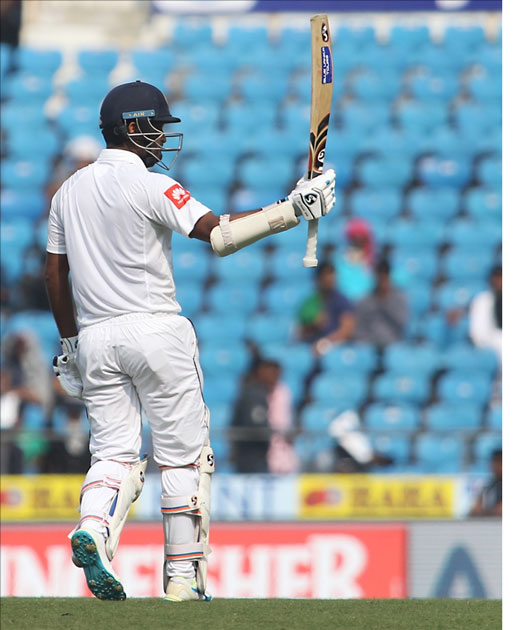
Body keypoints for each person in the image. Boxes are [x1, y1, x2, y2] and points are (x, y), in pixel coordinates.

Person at [44, 80, 336, 602]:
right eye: (157, 126)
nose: (163, 137)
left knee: (113, 456)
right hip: (156, 330)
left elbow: (53, 276)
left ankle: (94, 529)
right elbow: (219, 236)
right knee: (183, 459)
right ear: (134, 127)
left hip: (94, 339)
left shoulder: (68, 191)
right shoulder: (153, 186)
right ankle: (183, 580)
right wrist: (293, 209)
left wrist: (69, 346)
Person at [230, 358, 298, 474]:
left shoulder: (280, 393)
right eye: (272, 372)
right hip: (254, 456)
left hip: (270, 456)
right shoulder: (254, 394)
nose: (275, 376)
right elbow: (256, 425)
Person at [297, 261, 355, 356]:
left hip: (335, 347)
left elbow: (347, 330)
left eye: (332, 275)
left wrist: (325, 343)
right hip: (311, 346)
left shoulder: (343, 301)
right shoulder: (310, 302)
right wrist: (314, 325)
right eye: (326, 275)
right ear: (319, 278)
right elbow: (301, 331)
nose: (330, 279)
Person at [353, 258, 408, 348]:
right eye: (380, 273)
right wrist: (366, 341)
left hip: (392, 344)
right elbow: (359, 327)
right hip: (370, 345)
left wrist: (384, 302)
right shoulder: (365, 301)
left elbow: (402, 323)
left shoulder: (399, 298)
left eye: (385, 273)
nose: (382, 277)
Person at [469, 265, 502, 367]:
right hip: (488, 347)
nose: (498, 282)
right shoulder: (482, 300)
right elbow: (477, 333)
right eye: (495, 278)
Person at [469, 448, 502, 517]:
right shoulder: (490, 485)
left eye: (499, 462)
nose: (495, 466)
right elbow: (475, 509)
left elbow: (501, 510)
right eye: (493, 462)